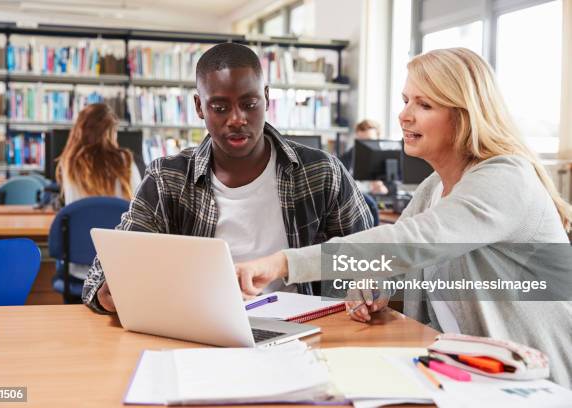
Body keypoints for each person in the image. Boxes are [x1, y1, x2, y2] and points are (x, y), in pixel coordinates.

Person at [235, 48, 572, 386]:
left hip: (536, 382)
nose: (404, 116)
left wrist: (283, 263)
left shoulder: (505, 177)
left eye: (424, 105)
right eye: (406, 100)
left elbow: (411, 242)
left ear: (465, 116)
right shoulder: (433, 188)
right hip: (468, 373)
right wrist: (375, 285)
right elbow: (400, 262)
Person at [82, 43, 373, 313]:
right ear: (199, 106)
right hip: (199, 328)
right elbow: (99, 277)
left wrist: (366, 286)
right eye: (220, 108)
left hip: (305, 327)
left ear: (267, 98)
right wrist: (111, 292)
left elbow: (372, 257)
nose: (236, 119)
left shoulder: (322, 172)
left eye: (249, 104)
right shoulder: (167, 178)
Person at [56, 103, 142, 281]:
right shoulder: (126, 162)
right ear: (111, 132)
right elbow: (140, 211)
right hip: (119, 269)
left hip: (79, 269)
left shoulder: (69, 164)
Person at [340, 120, 389, 195]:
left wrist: (382, 188)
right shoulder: (346, 158)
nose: (365, 146)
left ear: (378, 139)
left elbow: (393, 189)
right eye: (361, 141)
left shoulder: (387, 160)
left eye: (369, 140)